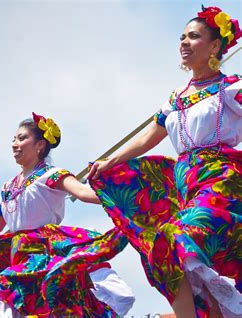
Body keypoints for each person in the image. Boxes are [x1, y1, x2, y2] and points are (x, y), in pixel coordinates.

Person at [87, 6, 241, 317]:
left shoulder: (232, 88)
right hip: (186, 187)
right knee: (162, 247)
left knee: (176, 239)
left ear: (214, 46)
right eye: (182, 36)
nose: (184, 42)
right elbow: (148, 139)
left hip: (221, 180)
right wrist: (109, 162)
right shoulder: (175, 99)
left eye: (193, 36)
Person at [0, 113, 134, 317]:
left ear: (40, 145)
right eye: (14, 139)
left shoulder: (51, 175)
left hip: (44, 252)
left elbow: (83, 193)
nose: (15, 144)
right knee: (24, 304)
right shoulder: (8, 187)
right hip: (18, 253)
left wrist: (123, 197)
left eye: (22, 138)